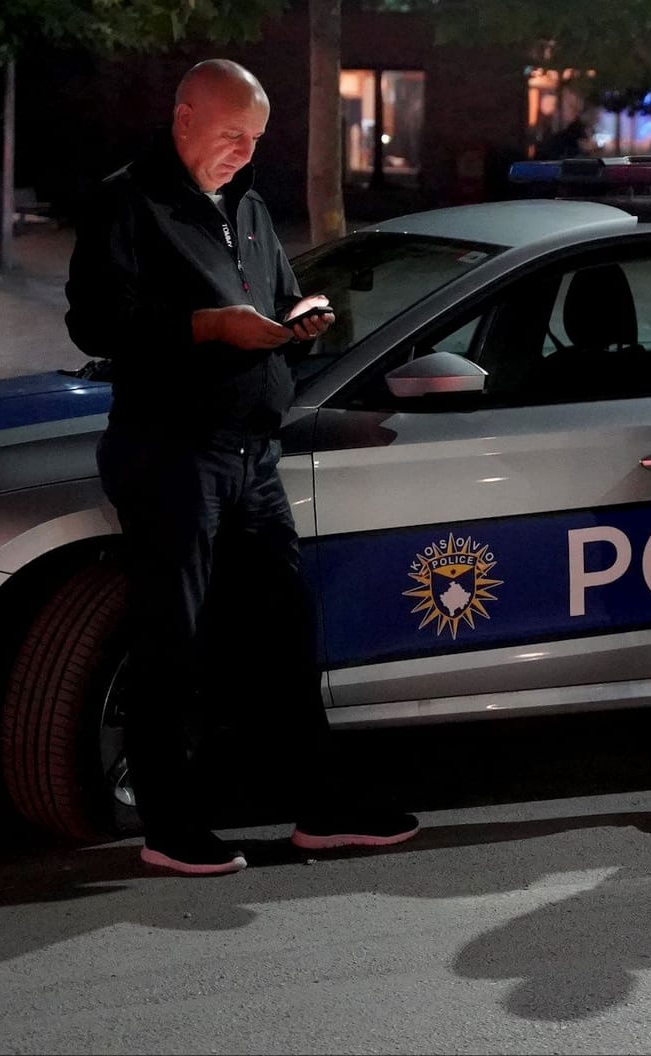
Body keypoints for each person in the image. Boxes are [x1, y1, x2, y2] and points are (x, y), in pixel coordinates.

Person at [65, 59, 418, 876]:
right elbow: (95, 323)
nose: (241, 152)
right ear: (184, 117)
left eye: (254, 139)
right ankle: (169, 827)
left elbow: (282, 291)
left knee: (283, 633)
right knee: (171, 641)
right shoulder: (129, 200)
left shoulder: (249, 204)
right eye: (230, 135)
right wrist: (204, 327)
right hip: (171, 450)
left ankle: (317, 811)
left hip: (252, 454)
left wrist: (301, 318)